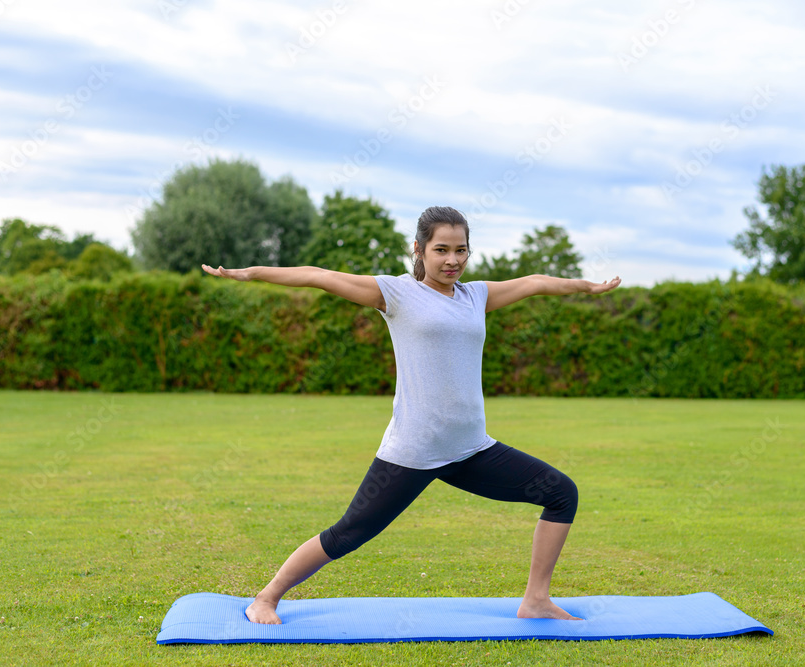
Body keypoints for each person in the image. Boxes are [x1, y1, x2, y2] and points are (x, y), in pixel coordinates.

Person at [201, 205, 621, 624]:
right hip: (413, 450)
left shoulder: (476, 296)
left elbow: (535, 282)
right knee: (349, 532)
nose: (453, 260)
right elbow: (320, 276)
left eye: (461, 250)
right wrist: (251, 273)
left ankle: (536, 600)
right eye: (442, 250)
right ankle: (266, 598)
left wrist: (587, 288)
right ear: (418, 249)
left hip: (470, 447)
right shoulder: (397, 293)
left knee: (561, 493)